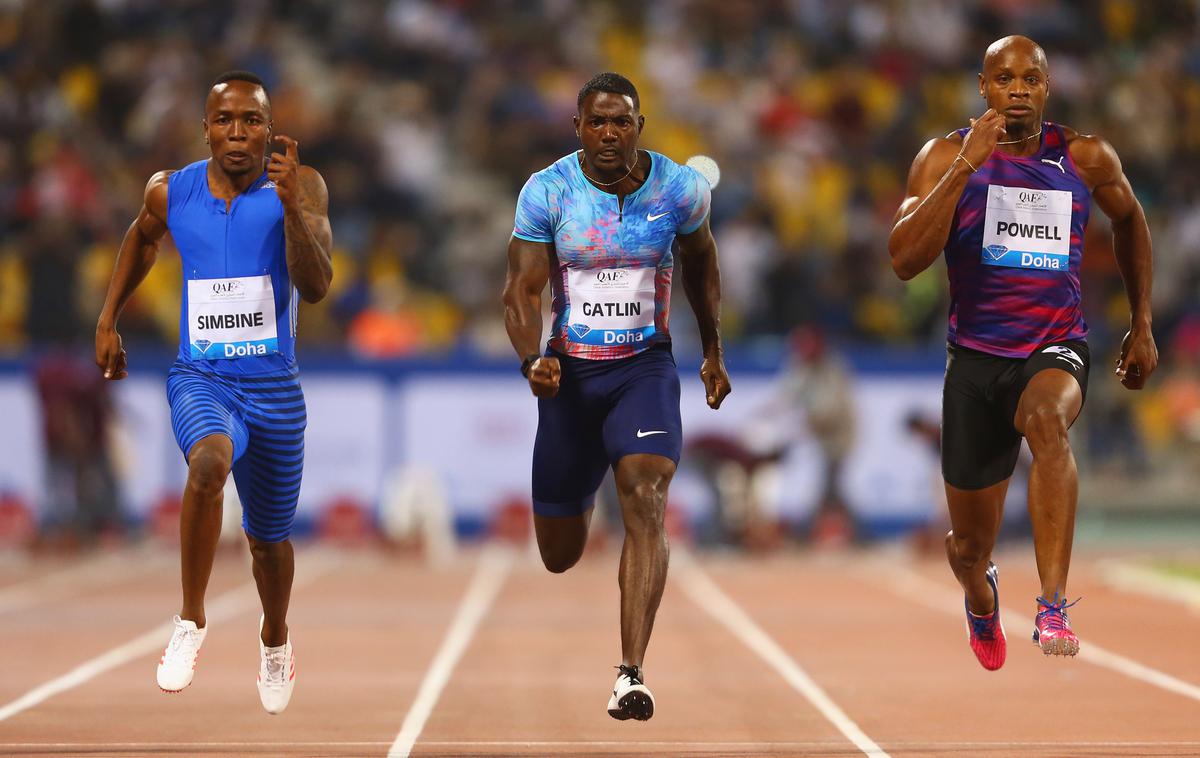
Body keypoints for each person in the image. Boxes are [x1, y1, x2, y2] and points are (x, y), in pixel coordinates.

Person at [889, 36, 1157, 671]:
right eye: (1003, 78)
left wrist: (1140, 322)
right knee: (966, 551)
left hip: (1055, 345)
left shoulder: (1085, 157)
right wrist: (965, 169)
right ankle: (982, 601)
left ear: (1046, 88)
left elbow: (1131, 221)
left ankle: (1053, 604)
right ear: (983, 88)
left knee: (1047, 423)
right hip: (975, 361)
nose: (1016, 89)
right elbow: (903, 261)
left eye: (1029, 79)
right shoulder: (946, 156)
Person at [94, 71, 332, 712]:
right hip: (202, 377)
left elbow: (315, 286)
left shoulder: (301, 186)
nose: (237, 132)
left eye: (250, 120)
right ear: (205, 127)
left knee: (269, 544)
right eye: (224, 119)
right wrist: (109, 317)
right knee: (207, 464)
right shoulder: (171, 192)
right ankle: (190, 620)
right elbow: (141, 237)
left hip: (275, 390)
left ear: (269, 128)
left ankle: (275, 637)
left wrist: (291, 208)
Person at [501, 72, 730, 720]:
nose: (609, 133)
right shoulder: (548, 191)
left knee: (647, 493)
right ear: (577, 128)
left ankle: (630, 673)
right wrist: (531, 360)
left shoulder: (680, 189)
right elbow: (520, 291)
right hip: (570, 377)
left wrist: (713, 350)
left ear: (639, 127)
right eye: (597, 122)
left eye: (621, 121)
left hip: (644, 370)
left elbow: (702, 264)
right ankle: (574, 500)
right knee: (559, 554)